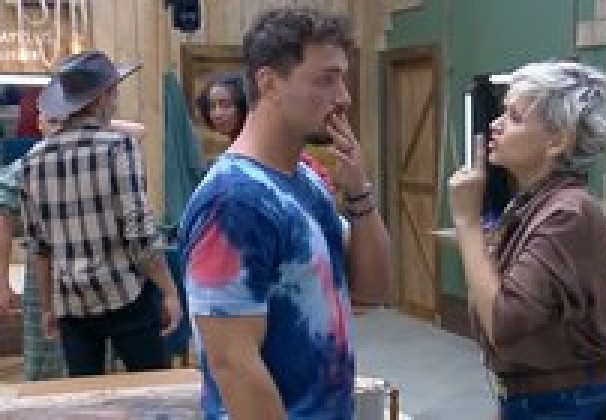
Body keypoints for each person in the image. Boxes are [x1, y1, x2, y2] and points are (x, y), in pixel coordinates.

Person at [181, 7, 390, 419]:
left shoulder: (305, 180)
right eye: (326, 79)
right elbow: (233, 364)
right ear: (269, 83)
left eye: (342, 79)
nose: (344, 97)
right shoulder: (234, 199)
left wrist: (360, 193)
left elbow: (372, 292)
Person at [448, 61, 606, 419]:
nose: (495, 124)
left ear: (558, 140)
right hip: (543, 398)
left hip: (565, 403)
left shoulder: (568, 213)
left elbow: (503, 323)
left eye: (514, 117)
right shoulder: (535, 202)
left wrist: (467, 223)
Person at [16, 50, 182, 378]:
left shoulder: (31, 161)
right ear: (102, 96)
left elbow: (39, 246)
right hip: (126, 294)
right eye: (114, 91)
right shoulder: (119, 147)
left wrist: (48, 306)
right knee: (150, 392)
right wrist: (170, 291)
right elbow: (140, 234)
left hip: (71, 303)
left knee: (87, 396)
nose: (116, 98)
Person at [196, 71, 336, 192]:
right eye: (212, 106)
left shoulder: (262, 149)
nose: (217, 113)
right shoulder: (236, 152)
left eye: (225, 105)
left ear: (242, 105)